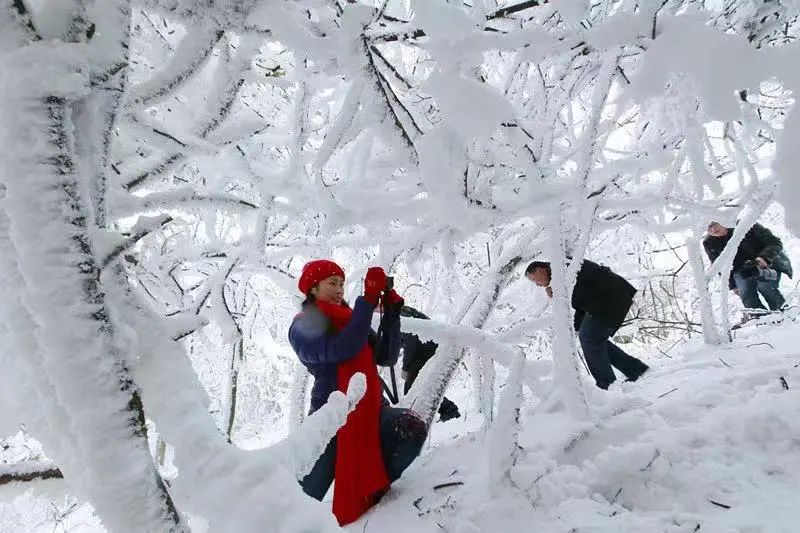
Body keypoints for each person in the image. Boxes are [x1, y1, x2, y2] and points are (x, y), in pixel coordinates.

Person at [288, 260, 427, 526]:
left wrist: (392, 313)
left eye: (341, 283)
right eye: (332, 283)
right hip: (331, 421)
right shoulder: (303, 326)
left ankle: (373, 496)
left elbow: (386, 357)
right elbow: (343, 348)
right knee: (303, 498)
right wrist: (368, 300)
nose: (339, 289)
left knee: (411, 429)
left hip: (371, 410)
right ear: (312, 288)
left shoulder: (352, 320)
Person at [525, 260, 649, 390]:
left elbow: (582, 292)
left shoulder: (562, 266)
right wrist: (575, 328)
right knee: (594, 338)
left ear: (540, 269)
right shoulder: (559, 275)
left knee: (589, 337)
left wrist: (558, 291)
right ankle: (634, 369)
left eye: (534, 279)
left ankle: (607, 385)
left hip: (610, 297)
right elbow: (582, 304)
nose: (537, 284)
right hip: (608, 300)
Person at [703, 221, 793, 315]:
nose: (713, 229)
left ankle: (785, 316)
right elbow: (719, 265)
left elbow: (775, 243)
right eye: (708, 227)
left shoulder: (747, 223)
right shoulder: (709, 242)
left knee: (765, 287)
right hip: (741, 271)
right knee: (747, 296)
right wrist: (733, 285)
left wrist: (764, 258)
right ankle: (762, 321)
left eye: (714, 224)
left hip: (768, 262)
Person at [398, 305, 461, 422]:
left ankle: (448, 411)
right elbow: (400, 340)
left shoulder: (401, 314)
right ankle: (449, 411)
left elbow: (409, 342)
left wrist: (405, 368)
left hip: (426, 348)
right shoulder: (401, 311)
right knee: (414, 387)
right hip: (426, 348)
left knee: (412, 388)